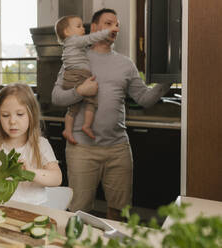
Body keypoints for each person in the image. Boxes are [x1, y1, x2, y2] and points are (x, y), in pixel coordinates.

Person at [52, 8, 172, 220]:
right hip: (82, 149)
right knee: (78, 211)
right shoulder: (77, 57)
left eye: (117, 25)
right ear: (95, 28)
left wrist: (168, 79)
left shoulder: (126, 64)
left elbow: (144, 98)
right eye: (108, 23)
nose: (115, 28)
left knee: (119, 211)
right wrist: (80, 91)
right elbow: (56, 97)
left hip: (118, 148)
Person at [0, 83, 62, 205]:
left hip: (33, 211)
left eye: (20, 114)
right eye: (5, 115)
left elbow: (57, 178)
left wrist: (31, 172)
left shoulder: (40, 144)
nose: (12, 121)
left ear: (32, 115)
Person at [54, 15, 114, 145]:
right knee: (91, 101)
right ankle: (86, 126)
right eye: (78, 26)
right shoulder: (74, 40)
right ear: (67, 32)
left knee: (73, 108)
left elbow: (89, 42)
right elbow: (91, 38)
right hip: (77, 74)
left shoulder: (73, 44)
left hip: (77, 74)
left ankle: (68, 130)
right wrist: (108, 31)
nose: (83, 29)